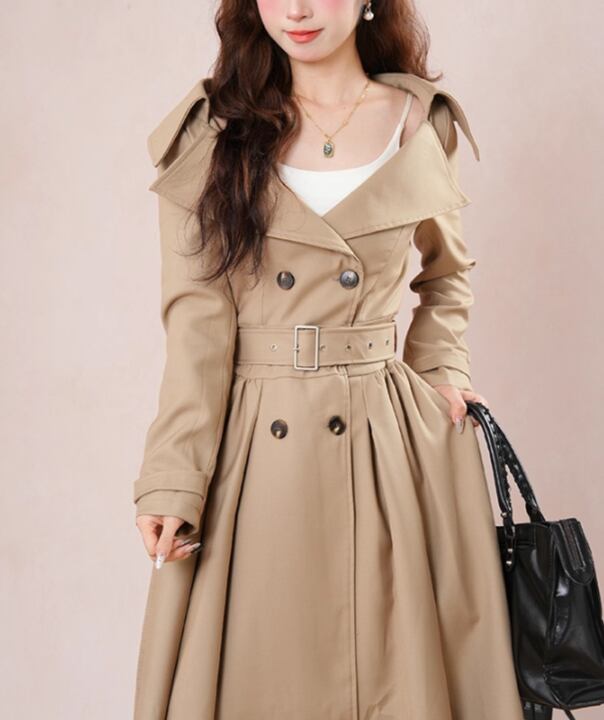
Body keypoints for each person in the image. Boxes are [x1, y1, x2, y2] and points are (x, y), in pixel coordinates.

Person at [132, 1, 527, 719]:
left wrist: (441, 374)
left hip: (389, 444)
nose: (298, 9)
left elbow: (446, 277)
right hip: (257, 449)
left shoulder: (417, 121)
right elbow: (196, 325)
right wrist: (172, 477)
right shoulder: (214, 130)